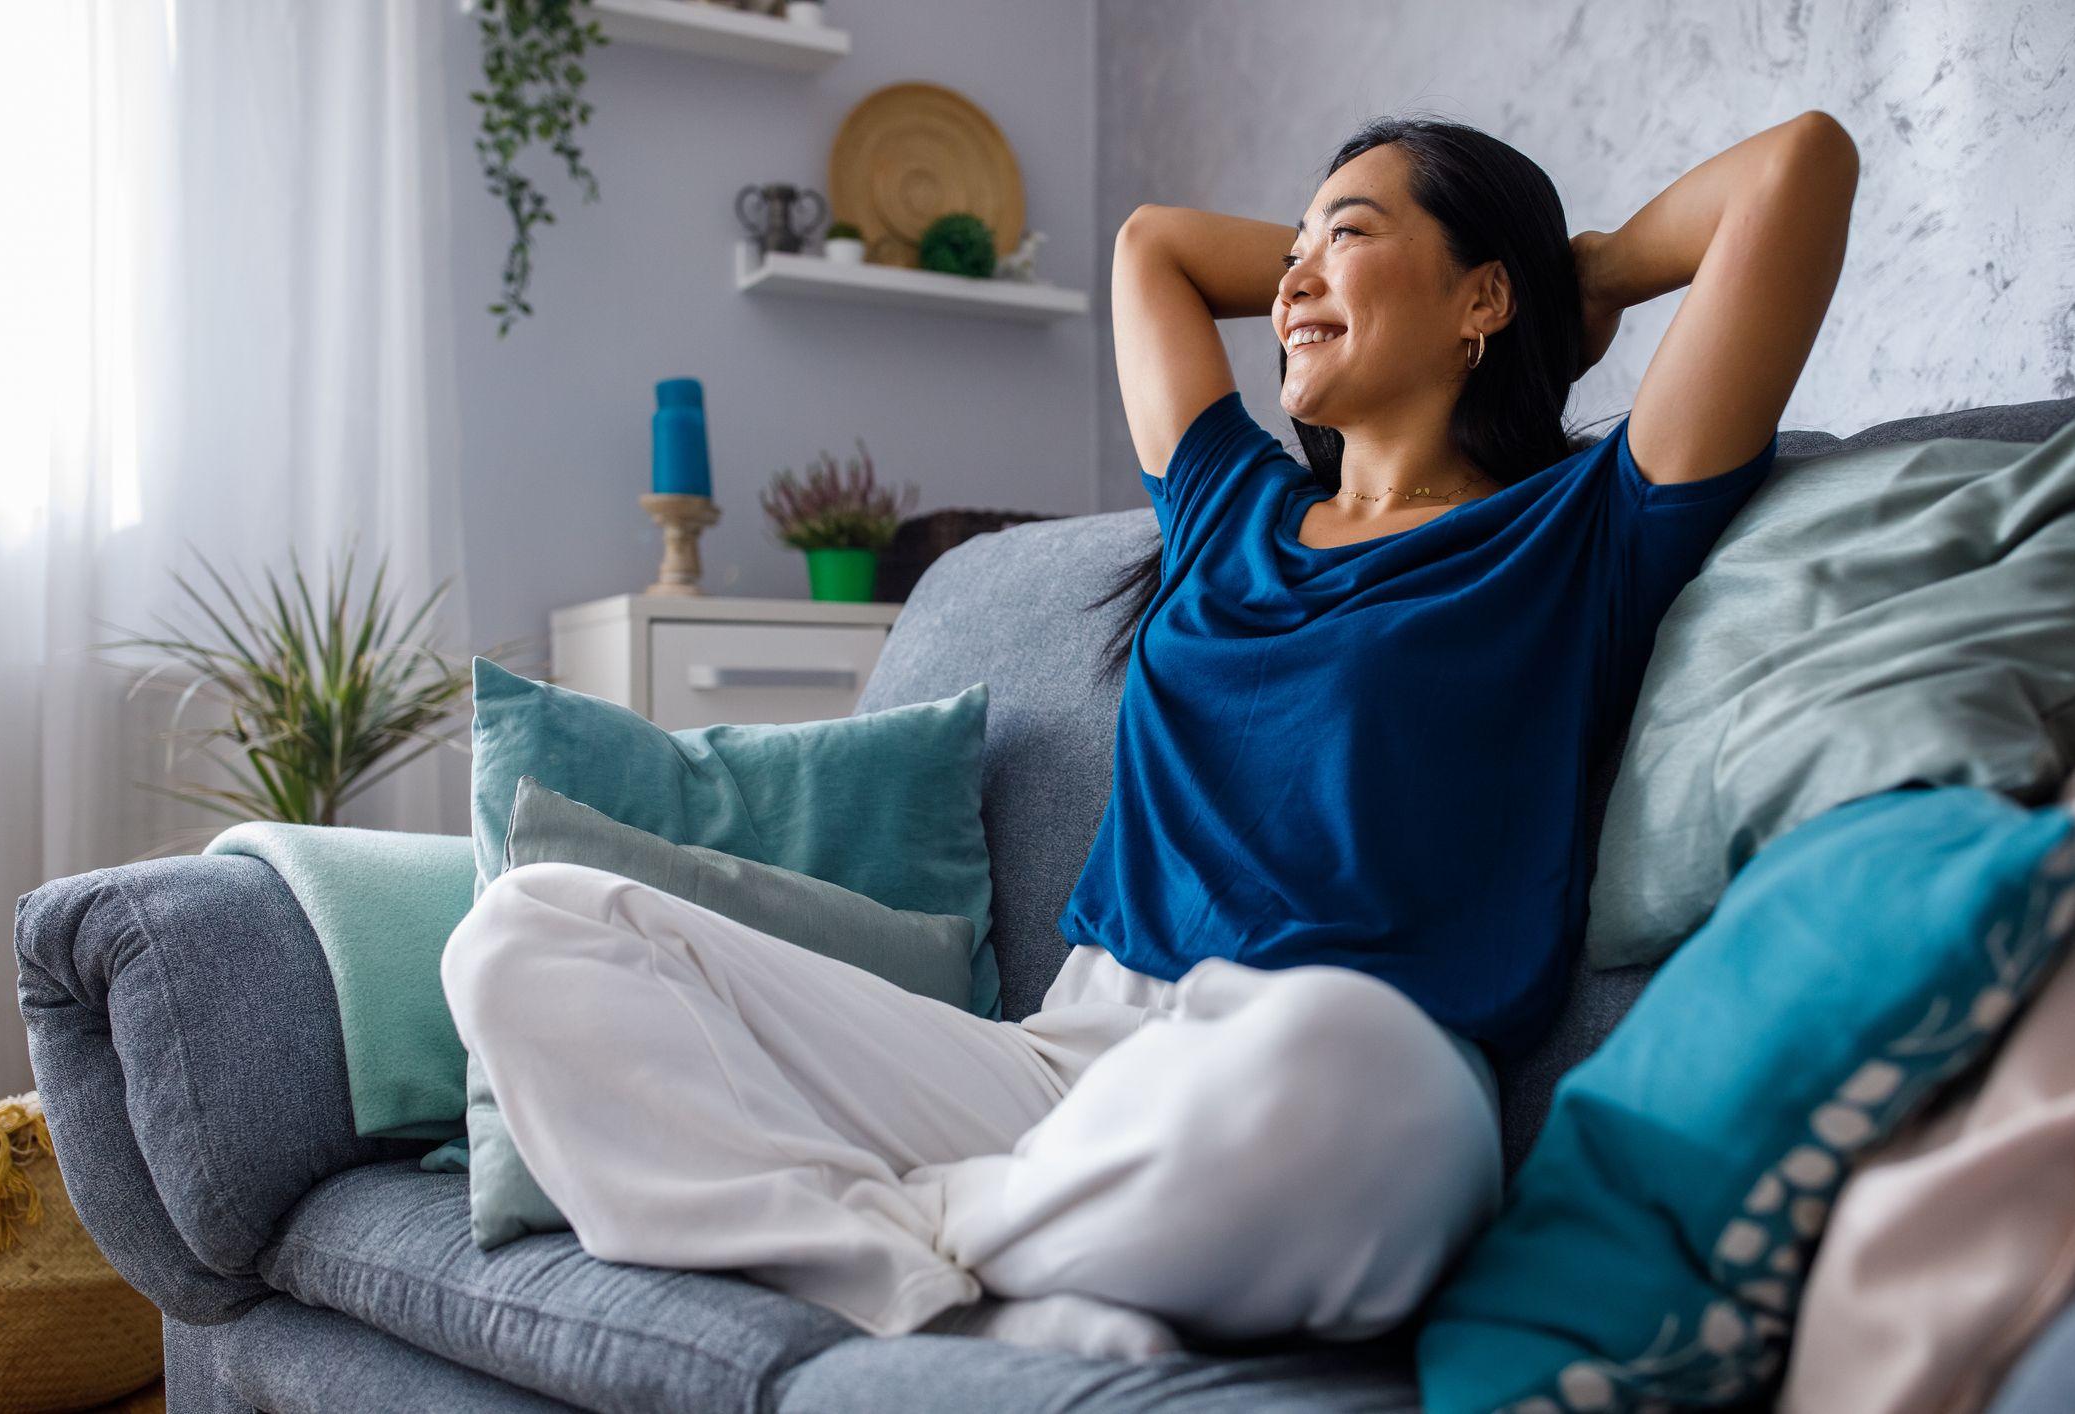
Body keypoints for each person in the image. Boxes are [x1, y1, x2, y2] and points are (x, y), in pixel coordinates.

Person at [442, 109, 1859, 1365]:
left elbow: (1794, 169)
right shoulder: (1224, 510)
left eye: (1345, 235)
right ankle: (968, 1272)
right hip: (1071, 1056)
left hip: (1344, 1060)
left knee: (1351, 1070)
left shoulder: (1582, 529)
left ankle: (926, 1238)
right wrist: (1343, 259)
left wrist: (1571, 271)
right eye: (1292, 245)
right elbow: (1151, 250)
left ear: (1479, 294)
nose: (1292, 277)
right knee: (526, 933)